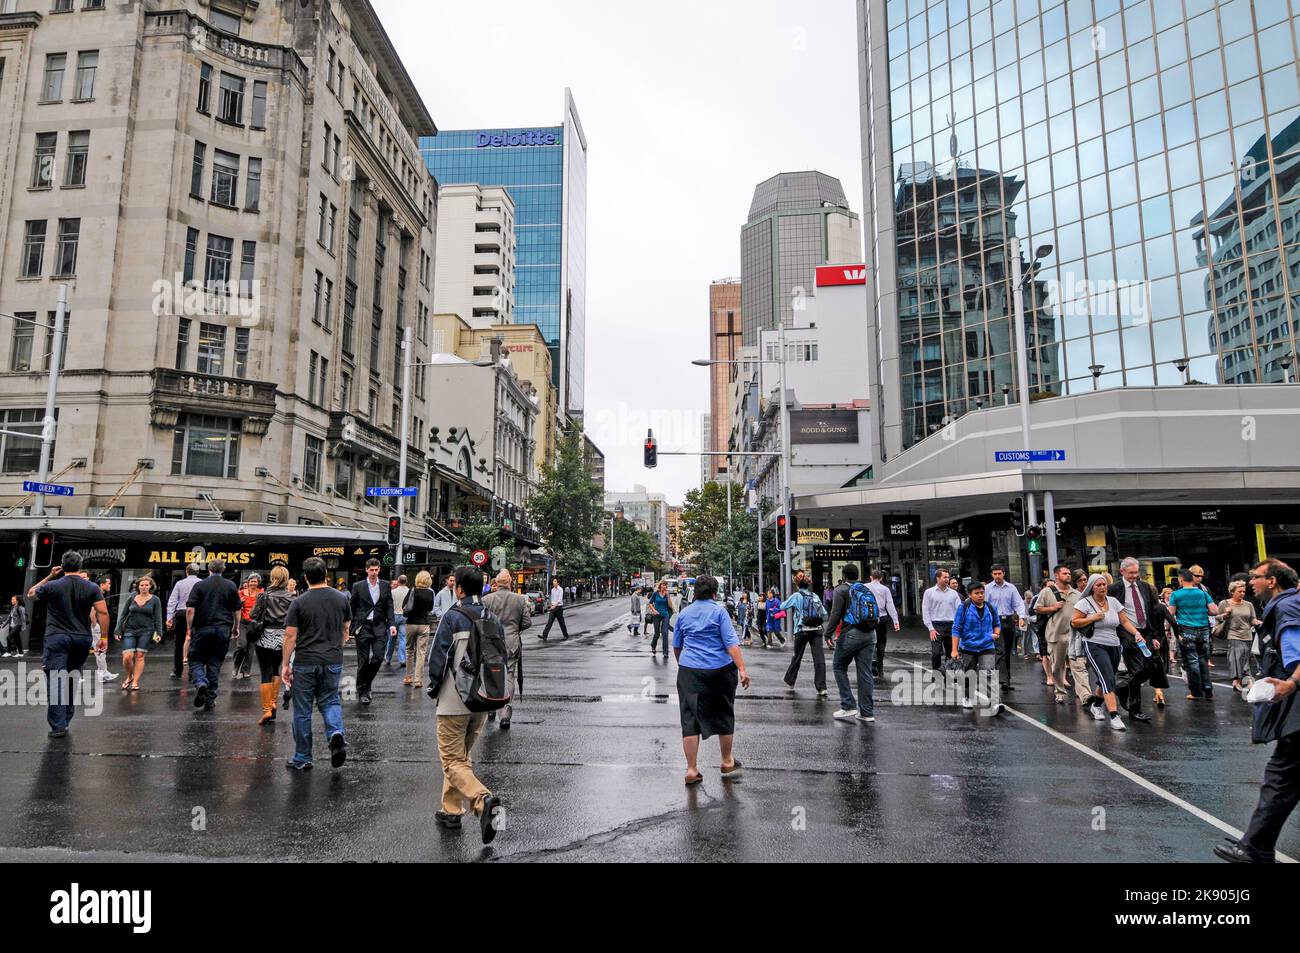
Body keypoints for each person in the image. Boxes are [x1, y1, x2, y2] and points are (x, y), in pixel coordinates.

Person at [1215, 559, 1300, 863]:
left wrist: (1290, 683)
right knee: (1282, 781)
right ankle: (1256, 847)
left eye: (1255, 577)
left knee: (1280, 779)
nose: (1250, 582)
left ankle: (1255, 849)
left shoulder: (1286, 608)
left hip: (1297, 712)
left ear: (1273, 581)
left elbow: (1297, 654)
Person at [427, 566, 504, 843]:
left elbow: (438, 658)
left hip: (453, 701)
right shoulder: (492, 618)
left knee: (451, 761)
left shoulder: (453, 617)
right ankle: (451, 811)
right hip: (482, 701)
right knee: (461, 758)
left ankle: (484, 802)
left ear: (458, 589)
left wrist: (433, 687)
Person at [673, 575, 750, 785]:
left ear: (694, 593)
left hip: (689, 671)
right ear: (714, 594)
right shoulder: (719, 612)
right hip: (720, 670)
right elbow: (731, 645)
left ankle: (691, 769)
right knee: (724, 713)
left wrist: (684, 666)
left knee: (689, 719)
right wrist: (742, 669)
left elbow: (677, 646)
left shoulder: (684, 614)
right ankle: (726, 761)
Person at [28, 553, 109, 738]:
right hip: (81, 638)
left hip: (57, 637)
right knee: (72, 675)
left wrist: (49, 576)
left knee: (56, 679)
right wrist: (103, 638)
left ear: (62, 566)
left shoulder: (53, 585)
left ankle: (58, 725)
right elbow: (102, 612)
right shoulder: (92, 587)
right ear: (80, 566)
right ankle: (67, 716)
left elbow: (31, 593)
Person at [281, 557, 350, 771]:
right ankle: (335, 733)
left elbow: (290, 636)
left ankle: (303, 757)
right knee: (330, 701)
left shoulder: (299, 602)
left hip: (305, 661)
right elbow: (346, 628)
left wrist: (285, 665)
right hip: (332, 659)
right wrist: (336, 645)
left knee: (302, 710)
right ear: (326, 575)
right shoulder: (341, 598)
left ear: (305, 578)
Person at [1073, 573, 1148, 731]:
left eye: (1104, 584)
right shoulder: (1084, 603)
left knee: (1105, 679)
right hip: (1094, 644)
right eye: (1098, 585)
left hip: (1114, 645)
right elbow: (1075, 621)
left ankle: (1097, 705)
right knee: (1108, 679)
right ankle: (1114, 716)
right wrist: (1092, 618)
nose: (1102, 587)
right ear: (1092, 587)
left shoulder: (1113, 602)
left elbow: (1124, 621)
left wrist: (1136, 633)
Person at [1106, 557, 1172, 723]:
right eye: (1131, 573)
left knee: (1152, 665)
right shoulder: (1114, 588)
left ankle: (1122, 687)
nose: (1135, 575)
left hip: (1146, 631)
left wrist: (1157, 636)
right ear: (1122, 571)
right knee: (1136, 668)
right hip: (1126, 632)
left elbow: (1154, 611)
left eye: (1136, 572)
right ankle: (1135, 710)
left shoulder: (1145, 587)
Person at [186, 557, 241, 711]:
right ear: (223, 570)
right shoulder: (230, 585)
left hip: (203, 628)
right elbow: (237, 609)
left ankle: (200, 682)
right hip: (223, 629)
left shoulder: (200, 585)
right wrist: (235, 627)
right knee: (215, 663)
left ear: (209, 569)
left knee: (195, 660)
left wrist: (190, 627)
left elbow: (190, 609)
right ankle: (210, 699)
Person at [824, 565, 878, 722]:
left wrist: (828, 633)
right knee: (865, 672)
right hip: (870, 633)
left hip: (852, 633)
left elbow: (836, 613)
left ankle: (848, 705)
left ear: (843, 575)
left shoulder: (840, 590)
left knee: (839, 666)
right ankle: (867, 713)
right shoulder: (865, 589)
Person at [482, 568, 531, 729]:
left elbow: (482, 621)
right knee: (509, 676)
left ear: (496, 583)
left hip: (492, 643)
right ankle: (505, 713)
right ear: (510, 582)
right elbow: (526, 622)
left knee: (491, 675)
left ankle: (491, 706)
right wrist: (515, 628)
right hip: (511, 643)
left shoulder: (487, 600)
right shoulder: (520, 599)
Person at [348, 558, 396, 705]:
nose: (374, 572)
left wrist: (392, 625)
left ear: (379, 569)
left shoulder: (385, 585)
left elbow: (389, 605)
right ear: (367, 570)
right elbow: (352, 606)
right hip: (363, 627)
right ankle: (363, 691)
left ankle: (366, 683)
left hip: (380, 626)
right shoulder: (358, 586)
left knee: (378, 657)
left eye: (376, 570)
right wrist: (351, 624)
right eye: (371, 570)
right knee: (363, 661)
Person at [251, 565, 294, 726]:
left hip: (265, 636)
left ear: (273, 577)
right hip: (283, 637)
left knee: (265, 672)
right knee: (277, 670)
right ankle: (274, 703)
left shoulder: (264, 596)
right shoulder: (292, 597)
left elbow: (253, 615)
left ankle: (266, 709)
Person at [1168, 569, 1220, 701]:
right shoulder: (1203, 593)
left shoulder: (1176, 595)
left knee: (1192, 661)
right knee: (1203, 659)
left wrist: (1168, 629)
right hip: (1203, 630)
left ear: (1181, 580)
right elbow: (1214, 611)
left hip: (1187, 630)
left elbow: (1170, 614)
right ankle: (1208, 688)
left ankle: (1196, 692)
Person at [950, 581, 1001, 713]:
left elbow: (997, 623)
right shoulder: (964, 607)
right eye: (976, 593)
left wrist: (996, 633)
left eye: (982, 593)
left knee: (989, 673)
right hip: (968, 647)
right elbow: (956, 628)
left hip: (987, 645)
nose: (980, 595)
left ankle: (995, 702)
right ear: (970, 595)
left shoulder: (990, 607)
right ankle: (967, 697)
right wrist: (954, 649)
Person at [1036, 565, 1080, 705]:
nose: (1068, 575)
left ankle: (1082, 692)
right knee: (1057, 666)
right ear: (1056, 575)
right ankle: (1059, 692)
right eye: (1065, 573)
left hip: (1075, 634)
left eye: (1069, 573)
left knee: (1078, 665)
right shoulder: (1047, 592)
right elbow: (1037, 609)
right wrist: (1052, 608)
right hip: (1056, 634)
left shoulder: (1076, 594)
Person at [113, 575, 163, 693]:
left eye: (146, 585)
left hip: (146, 631)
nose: (144, 587)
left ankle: (135, 681)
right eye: (142, 585)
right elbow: (123, 614)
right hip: (130, 630)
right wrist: (117, 629)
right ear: (138, 587)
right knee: (127, 656)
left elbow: (158, 617)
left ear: (150, 586)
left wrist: (159, 632)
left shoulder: (155, 599)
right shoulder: (132, 597)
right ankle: (129, 676)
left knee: (140, 655)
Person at [781, 576, 828, 696]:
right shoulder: (815, 596)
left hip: (802, 629)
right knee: (819, 659)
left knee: (797, 656)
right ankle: (822, 687)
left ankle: (790, 681)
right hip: (817, 630)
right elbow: (824, 614)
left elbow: (783, 606)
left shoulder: (797, 596)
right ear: (808, 585)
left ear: (797, 585)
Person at [1216, 579, 1261, 697]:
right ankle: (1245, 681)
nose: (1242, 593)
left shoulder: (1248, 604)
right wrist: (1225, 614)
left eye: (1243, 591)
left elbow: (1252, 619)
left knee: (1245, 658)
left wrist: (1257, 622)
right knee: (1236, 658)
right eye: (1239, 591)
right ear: (1232, 592)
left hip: (1247, 635)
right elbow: (1218, 618)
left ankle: (1237, 681)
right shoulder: (1224, 603)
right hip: (1233, 634)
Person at [985, 565, 1027, 692]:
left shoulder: (1011, 588)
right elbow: (984, 605)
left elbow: (1018, 603)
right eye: (995, 574)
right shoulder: (987, 588)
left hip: (1008, 620)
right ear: (992, 575)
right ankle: (1003, 680)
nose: (997, 576)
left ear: (1004, 574)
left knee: (1008, 650)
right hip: (994, 621)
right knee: (1000, 650)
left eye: (999, 573)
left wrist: (1021, 616)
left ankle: (1006, 677)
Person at [166, 562, 202, 680]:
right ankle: (193, 671)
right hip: (197, 613)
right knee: (196, 642)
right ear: (197, 572)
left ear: (186, 572)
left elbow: (172, 601)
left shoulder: (180, 583)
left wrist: (169, 617)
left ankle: (177, 671)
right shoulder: (201, 583)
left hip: (181, 613)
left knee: (179, 642)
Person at [401, 571, 435, 689]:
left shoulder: (412, 591)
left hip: (410, 623)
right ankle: (418, 679)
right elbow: (430, 608)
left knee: (409, 650)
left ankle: (408, 676)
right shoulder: (430, 593)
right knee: (421, 652)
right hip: (424, 624)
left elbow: (404, 606)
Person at [922, 569, 961, 670]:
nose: (947, 579)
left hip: (951, 625)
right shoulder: (929, 592)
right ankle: (936, 673)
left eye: (948, 577)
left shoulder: (953, 593)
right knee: (936, 652)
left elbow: (959, 611)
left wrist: (958, 626)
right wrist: (930, 628)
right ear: (938, 578)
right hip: (936, 625)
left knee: (951, 652)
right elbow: (925, 611)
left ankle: (949, 674)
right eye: (944, 577)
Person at [866, 569, 899, 678]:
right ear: (881, 578)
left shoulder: (865, 587)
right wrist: (896, 621)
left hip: (868, 618)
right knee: (881, 641)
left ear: (871, 577)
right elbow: (890, 604)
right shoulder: (885, 589)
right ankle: (880, 664)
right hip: (882, 617)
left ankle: (871, 659)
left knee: (869, 640)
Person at [231, 574, 261, 681]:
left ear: (258, 583)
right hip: (243, 623)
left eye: (255, 581)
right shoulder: (241, 593)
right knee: (242, 646)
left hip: (254, 624)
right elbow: (235, 607)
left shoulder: (261, 594)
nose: (253, 583)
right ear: (248, 582)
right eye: (251, 581)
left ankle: (246, 670)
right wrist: (240, 602)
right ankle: (236, 666)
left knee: (250, 648)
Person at [386, 575, 409, 669]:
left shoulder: (392, 592)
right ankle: (402, 659)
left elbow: (389, 605)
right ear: (406, 582)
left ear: (398, 582)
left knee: (391, 639)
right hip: (404, 616)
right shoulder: (410, 592)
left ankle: (388, 658)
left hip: (394, 616)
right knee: (403, 639)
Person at [648, 581, 675, 657]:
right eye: (664, 585)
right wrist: (654, 610)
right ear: (660, 586)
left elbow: (670, 605)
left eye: (666, 586)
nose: (665, 587)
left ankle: (665, 652)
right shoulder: (655, 594)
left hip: (665, 615)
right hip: (656, 615)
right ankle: (653, 645)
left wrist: (668, 596)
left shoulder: (667, 594)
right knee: (657, 634)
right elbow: (650, 603)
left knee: (665, 633)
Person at [539, 577, 569, 641]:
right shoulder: (552, 589)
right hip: (553, 607)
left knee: (561, 622)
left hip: (559, 608)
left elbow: (559, 600)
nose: (553, 582)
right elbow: (552, 599)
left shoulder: (560, 589)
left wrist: (554, 606)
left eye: (555, 581)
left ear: (558, 582)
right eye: (553, 581)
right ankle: (544, 635)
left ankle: (565, 635)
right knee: (549, 622)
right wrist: (550, 605)